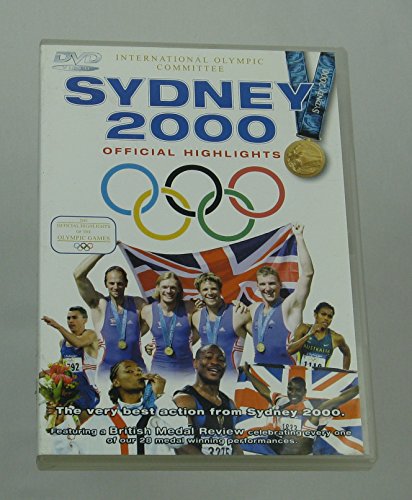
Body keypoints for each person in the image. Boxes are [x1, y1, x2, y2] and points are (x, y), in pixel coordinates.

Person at [47, 360, 197, 455]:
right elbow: (71, 456)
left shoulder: (156, 419)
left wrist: (160, 396)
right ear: (116, 382)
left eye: (139, 371)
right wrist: (59, 428)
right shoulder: (99, 421)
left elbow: (183, 438)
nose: (137, 373)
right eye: (129, 371)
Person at [242, 363, 359, 455]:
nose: (293, 393)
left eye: (298, 390)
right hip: (277, 455)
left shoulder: (313, 410)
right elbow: (264, 391)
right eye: (290, 389)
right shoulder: (281, 401)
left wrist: (360, 385)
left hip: (303, 460)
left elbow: (340, 399)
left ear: (304, 392)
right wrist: (247, 373)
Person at [73, 247, 148, 384]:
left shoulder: (138, 304)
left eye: (120, 283)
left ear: (126, 284)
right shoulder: (100, 304)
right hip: (107, 374)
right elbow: (78, 275)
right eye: (111, 283)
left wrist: (135, 335)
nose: (115, 287)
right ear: (106, 284)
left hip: (137, 372)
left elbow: (153, 319)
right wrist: (104, 249)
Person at [247, 223, 314, 365]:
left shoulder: (290, 306)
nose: (268, 288)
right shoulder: (254, 309)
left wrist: (299, 238)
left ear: (280, 285)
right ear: (258, 287)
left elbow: (308, 273)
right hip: (259, 371)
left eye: (272, 283)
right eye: (263, 284)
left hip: (285, 373)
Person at [173, 344, 243, 455]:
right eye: (208, 357)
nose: (215, 362)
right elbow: (181, 446)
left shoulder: (230, 403)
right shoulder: (184, 400)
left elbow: (234, 443)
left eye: (221, 360)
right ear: (195, 363)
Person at [41, 306, 100, 420]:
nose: (71, 321)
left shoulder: (90, 335)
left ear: (85, 320)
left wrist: (58, 326)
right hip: (68, 391)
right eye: (68, 318)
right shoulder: (63, 343)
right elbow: (61, 368)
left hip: (85, 391)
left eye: (74, 317)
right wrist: (39, 375)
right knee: (52, 419)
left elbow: (78, 343)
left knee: (83, 426)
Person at [191, 272, 249, 382]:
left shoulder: (238, 313)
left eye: (213, 289)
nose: (210, 293)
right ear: (200, 293)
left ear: (220, 290)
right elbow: (182, 343)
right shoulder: (196, 317)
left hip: (232, 380)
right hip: (205, 380)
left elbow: (261, 337)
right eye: (205, 289)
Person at [140, 272, 196, 381]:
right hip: (159, 373)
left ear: (178, 289)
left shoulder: (190, 308)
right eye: (165, 287)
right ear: (158, 288)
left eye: (173, 287)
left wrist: (185, 343)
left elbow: (204, 327)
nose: (169, 291)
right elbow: (134, 333)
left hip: (186, 373)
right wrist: (150, 345)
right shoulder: (147, 311)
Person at [288, 302, 351, 369]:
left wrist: (345, 372)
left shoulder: (336, 338)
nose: (326, 318)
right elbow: (290, 350)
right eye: (323, 314)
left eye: (330, 316)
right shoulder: (303, 329)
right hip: (302, 373)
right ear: (315, 315)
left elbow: (347, 354)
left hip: (321, 375)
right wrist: (309, 334)